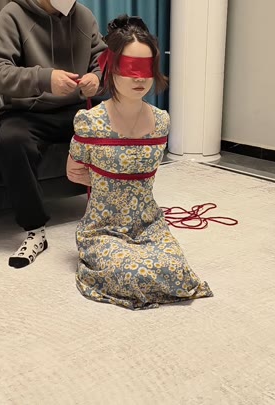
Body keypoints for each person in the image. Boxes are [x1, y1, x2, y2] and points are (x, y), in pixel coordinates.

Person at [66, 15, 214, 310]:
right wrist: (106, 184)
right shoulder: (89, 122)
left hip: (149, 224)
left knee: (176, 272)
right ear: (111, 67)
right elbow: (74, 172)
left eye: (145, 69)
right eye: (129, 68)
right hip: (103, 229)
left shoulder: (161, 122)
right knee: (132, 275)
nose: (139, 78)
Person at [0, 0, 107, 268]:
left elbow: (103, 62)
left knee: (115, 128)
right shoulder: (13, 14)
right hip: (27, 112)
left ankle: (116, 217)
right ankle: (35, 230)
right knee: (11, 142)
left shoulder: (84, 16)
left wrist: (97, 79)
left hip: (74, 109)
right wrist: (43, 79)